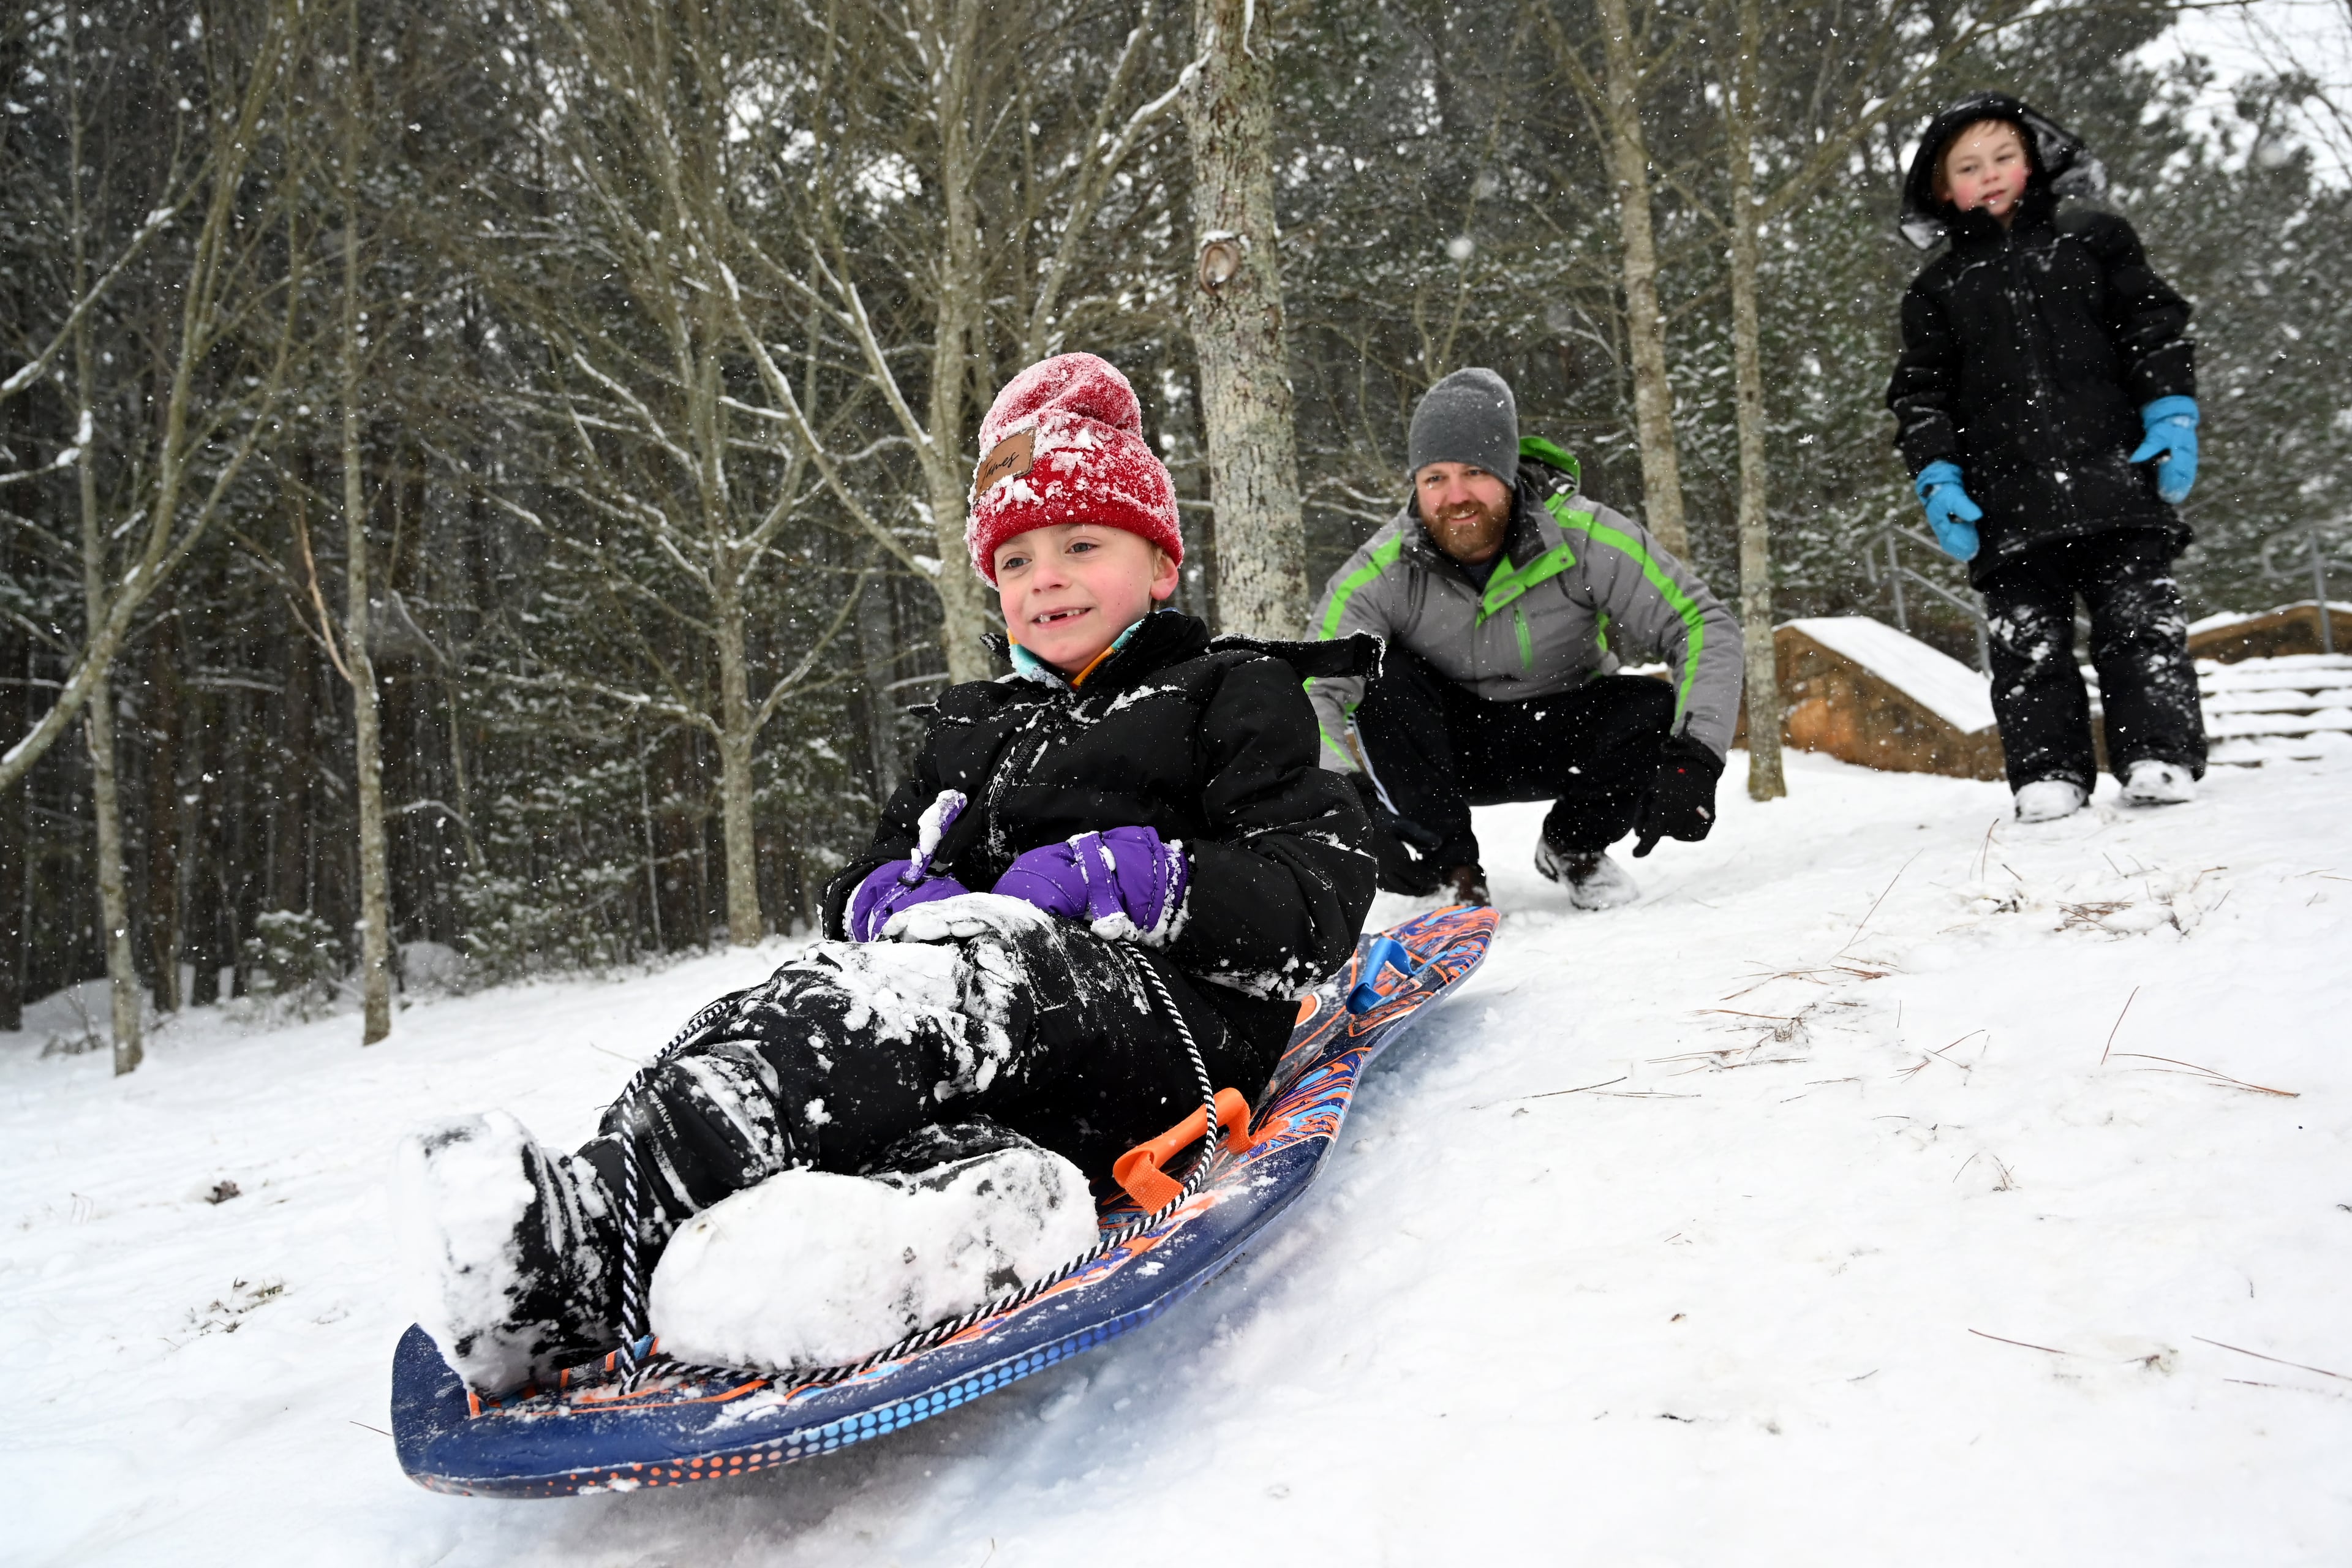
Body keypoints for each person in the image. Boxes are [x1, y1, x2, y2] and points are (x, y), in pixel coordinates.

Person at [396, 353, 1378, 1393]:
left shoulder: (1227, 691)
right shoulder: (971, 727)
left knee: (925, 1000)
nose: (1046, 577)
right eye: (1015, 561)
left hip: (1167, 1025)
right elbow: (872, 867)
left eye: (1083, 545)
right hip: (1003, 1047)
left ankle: (596, 1248)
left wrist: (1127, 877)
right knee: (806, 1005)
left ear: (1161, 564)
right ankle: (930, 1224)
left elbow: (1313, 899)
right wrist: (887, 897)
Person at [1306, 368, 1743, 910]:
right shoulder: (1380, 571)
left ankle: (1574, 845)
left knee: (1652, 705)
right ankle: (1452, 873)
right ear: (1415, 487)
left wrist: (1697, 758)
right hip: (1446, 749)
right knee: (1382, 678)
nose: (1456, 496)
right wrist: (1345, 805)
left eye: (1475, 472)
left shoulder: (1586, 537)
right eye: (1435, 479)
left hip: (1564, 733)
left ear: (1510, 474)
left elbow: (1700, 623)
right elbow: (1313, 689)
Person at [1887, 93, 2206, 823]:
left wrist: (2169, 411)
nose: (1989, 175)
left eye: (2004, 157)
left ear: (2033, 160)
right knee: (2029, 647)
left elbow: (2153, 329)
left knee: (2140, 627)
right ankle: (2050, 772)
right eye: (1968, 167)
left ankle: (2157, 752)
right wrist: (1939, 477)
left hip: (2117, 479)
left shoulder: (2095, 239)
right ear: (1943, 190)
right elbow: (1922, 397)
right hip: (2010, 506)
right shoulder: (1937, 289)